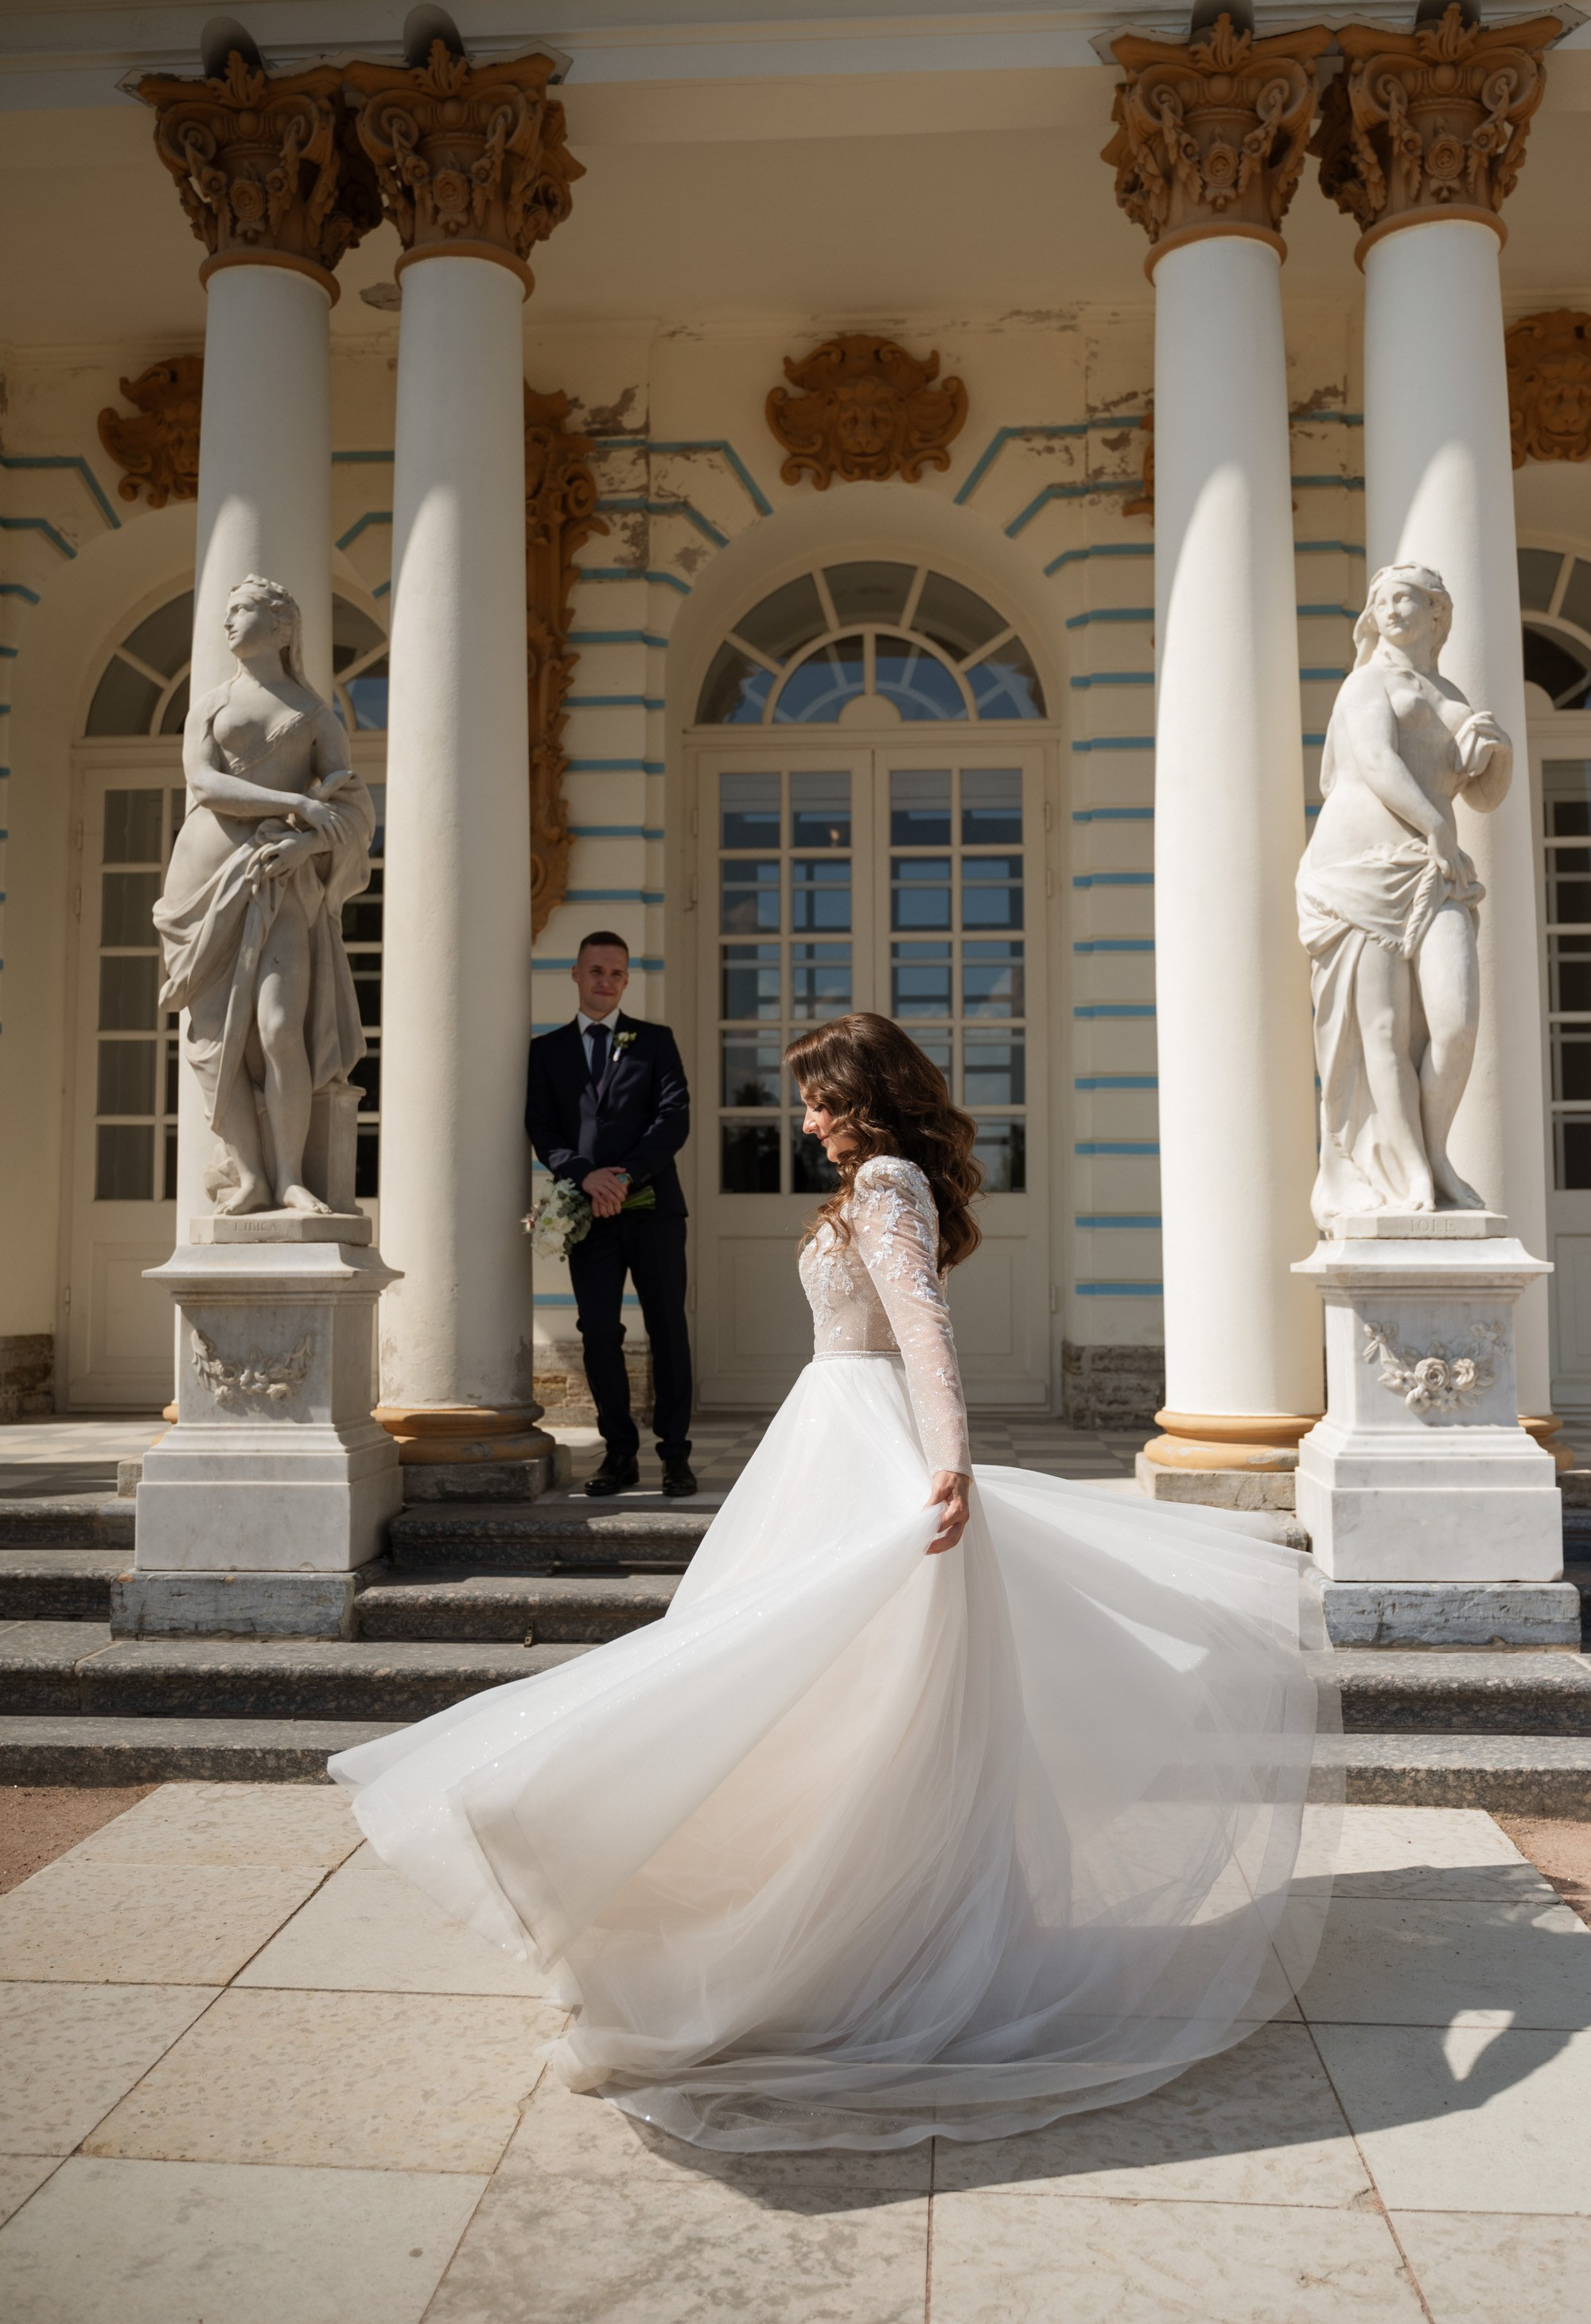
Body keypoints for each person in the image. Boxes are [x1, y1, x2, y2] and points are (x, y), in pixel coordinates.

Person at [333, 1013, 1335, 2155]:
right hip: (828, 1436)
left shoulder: (889, 1181)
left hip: (874, 1447)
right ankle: (778, 1927)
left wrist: (947, 1464)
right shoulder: (874, 1181)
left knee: (834, 1697)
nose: (802, 1120)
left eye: (817, 1099)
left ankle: (856, 1951)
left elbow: (925, 1333)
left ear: (864, 1097)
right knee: (777, 1687)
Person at [1297, 563, 1511, 1224]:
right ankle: (1409, 1172)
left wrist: (1496, 754)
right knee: (1380, 1031)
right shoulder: (1366, 684)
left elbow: (1481, 794)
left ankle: (1436, 1150)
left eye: (1407, 599)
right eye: (1382, 600)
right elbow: (1378, 763)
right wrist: (1435, 829)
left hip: (1434, 865)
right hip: (1360, 867)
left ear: (1437, 612)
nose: (1392, 609)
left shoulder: (1449, 691)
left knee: (1457, 1021)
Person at [153, 574, 375, 1213]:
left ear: (281, 627)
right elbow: (204, 786)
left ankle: (290, 1178)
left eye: (241, 611)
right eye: (226, 612)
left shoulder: (314, 717)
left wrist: (311, 843)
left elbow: (353, 806)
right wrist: (296, 803)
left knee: (281, 1030)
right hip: (204, 884)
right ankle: (249, 1175)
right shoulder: (211, 705)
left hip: (283, 883)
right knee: (219, 1040)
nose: (227, 623)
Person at [525, 932, 694, 1497]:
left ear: (626, 980)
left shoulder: (654, 1041)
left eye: (616, 973)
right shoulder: (546, 1051)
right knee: (599, 1333)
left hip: (654, 1210)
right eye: (595, 970)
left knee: (668, 1328)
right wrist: (584, 1174)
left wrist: (625, 1176)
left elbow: (673, 1119)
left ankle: (675, 1455)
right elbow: (542, 1128)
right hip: (587, 1213)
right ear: (575, 974)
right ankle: (619, 1454)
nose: (606, 980)